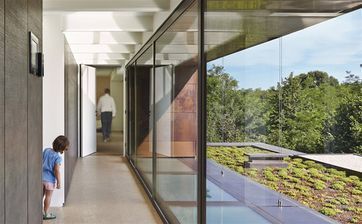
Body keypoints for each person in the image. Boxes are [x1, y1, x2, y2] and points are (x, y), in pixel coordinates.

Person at [42, 135, 69, 220]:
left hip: (41, 177)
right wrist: (59, 182)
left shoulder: (46, 150)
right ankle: (46, 213)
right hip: (50, 180)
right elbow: (56, 170)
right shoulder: (58, 158)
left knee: (40, 196)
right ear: (62, 148)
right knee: (48, 197)